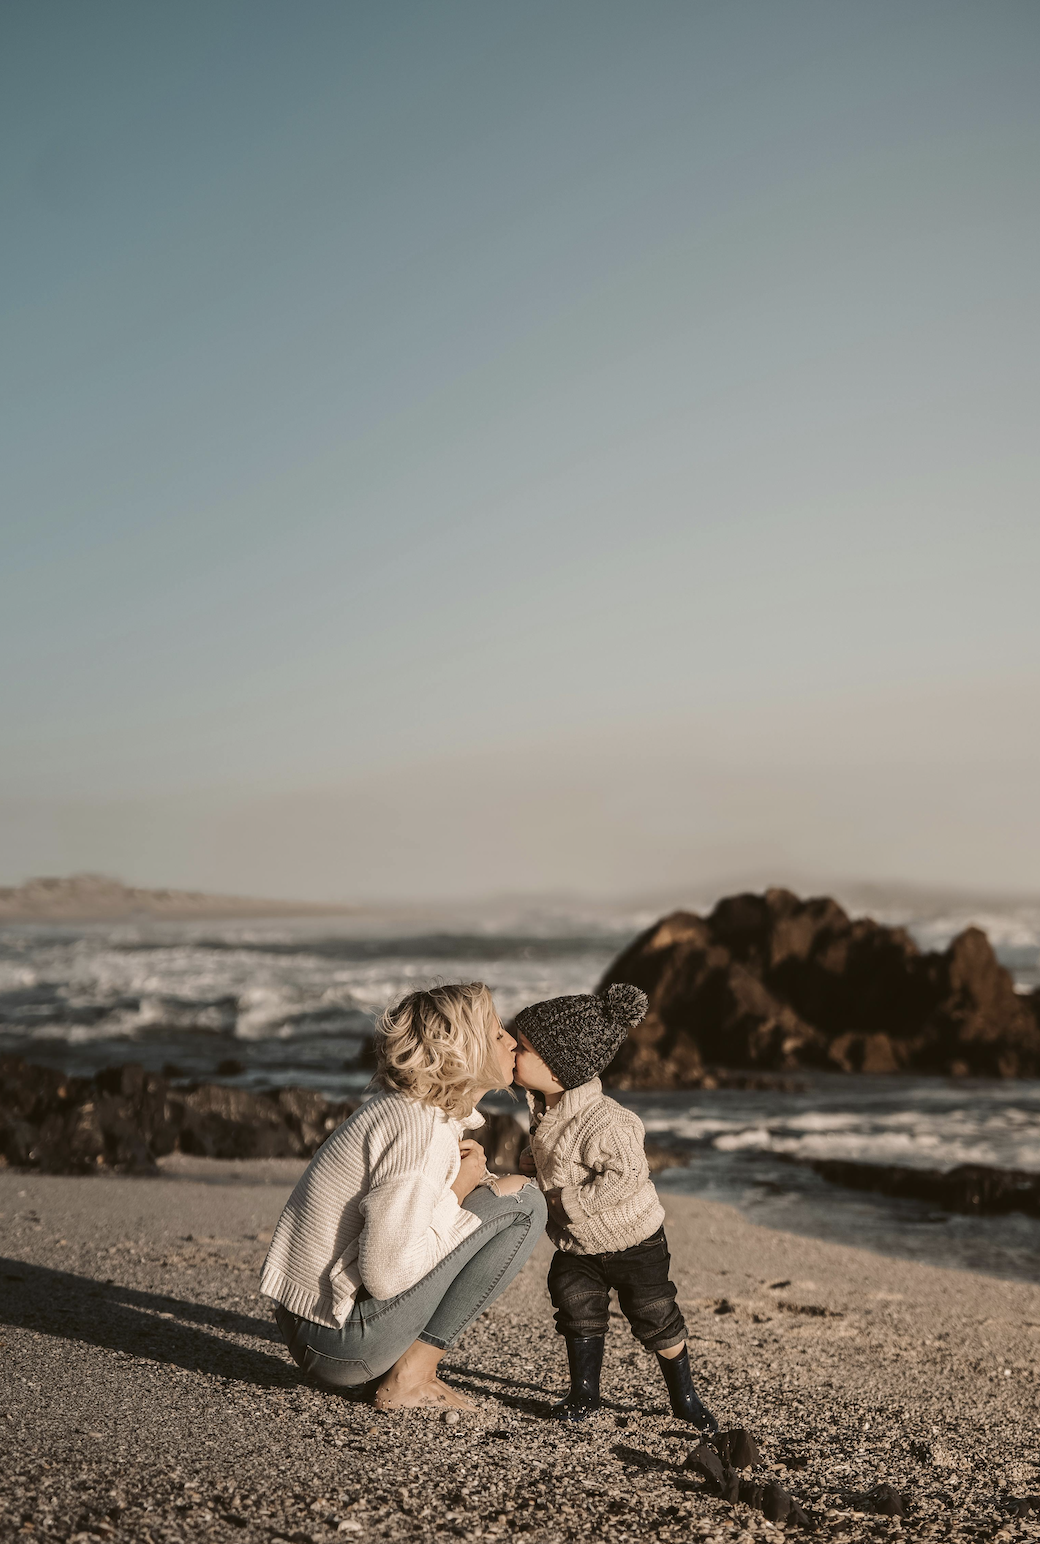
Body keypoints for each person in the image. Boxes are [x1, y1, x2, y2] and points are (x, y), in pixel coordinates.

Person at [260, 982, 546, 1411]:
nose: (511, 1042)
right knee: (524, 1205)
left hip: (317, 1323)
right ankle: (412, 1376)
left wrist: (465, 1188)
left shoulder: (414, 1110)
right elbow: (386, 1275)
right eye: (496, 1033)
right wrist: (459, 1191)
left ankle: (403, 1369)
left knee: (501, 1196)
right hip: (336, 1341)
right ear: (462, 1050)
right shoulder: (420, 1130)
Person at [513, 983, 718, 1430]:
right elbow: (560, 1156)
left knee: (654, 1314)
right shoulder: (547, 1108)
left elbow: (627, 1173)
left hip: (634, 1242)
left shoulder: (605, 1120)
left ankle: (684, 1396)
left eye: (523, 1047)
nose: (511, 1049)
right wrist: (532, 1162)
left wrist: (570, 1201)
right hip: (578, 1244)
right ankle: (584, 1392)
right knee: (574, 1304)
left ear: (559, 1067)